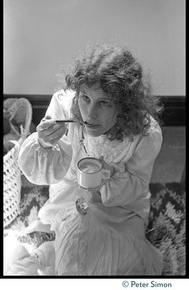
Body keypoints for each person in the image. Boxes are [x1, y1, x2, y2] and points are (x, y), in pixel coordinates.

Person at [6, 42, 163, 275]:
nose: (89, 114)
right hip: (69, 196)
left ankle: (48, 255)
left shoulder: (145, 133)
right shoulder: (63, 105)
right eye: (85, 98)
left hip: (120, 210)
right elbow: (37, 174)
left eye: (104, 103)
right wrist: (44, 143)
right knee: (68, 242)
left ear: (125, 107)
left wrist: (109, 176)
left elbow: (138, 185)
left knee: (117, 263)